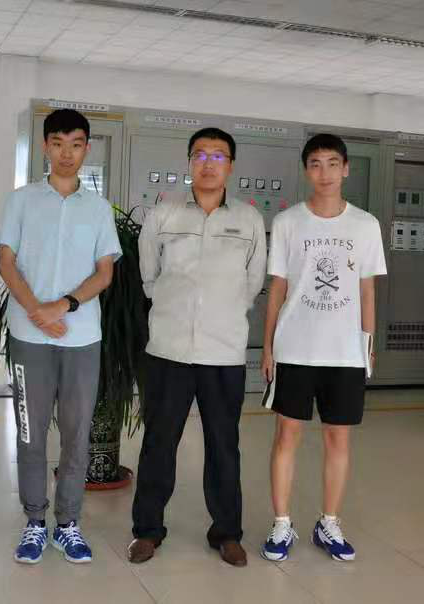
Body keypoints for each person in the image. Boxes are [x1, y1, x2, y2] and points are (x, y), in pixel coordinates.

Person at [128, 127, 266, 567]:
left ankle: (226, 532)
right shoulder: (164, 215)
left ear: (231, 166)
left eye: (218, 156)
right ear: (189, 162)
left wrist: (222, 312)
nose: (209, 163)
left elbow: (253, 282)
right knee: (159, 443)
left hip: (223, 352)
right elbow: (149, 277)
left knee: (224, 445)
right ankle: (147, 530)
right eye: (200, 155)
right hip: (168, 350)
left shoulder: (248, 220)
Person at [0, 108, 121, 565]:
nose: (67, 153)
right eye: (58, 144)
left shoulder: (98, 209)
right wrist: (36, 310)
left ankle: (67, 523)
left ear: (86, 148)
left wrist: (62, 305)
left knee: (76, 434)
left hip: (81, 337)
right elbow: (6, 261)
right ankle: (35, 520)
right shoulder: (21, 200)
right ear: (45, 146)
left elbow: (104, 272)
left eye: (76, 144)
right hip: (29, 337)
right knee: (30, 433)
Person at [260, 133, 387, 563]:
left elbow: (367, 290)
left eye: (333, 163)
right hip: (295, 348)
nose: (325, 173)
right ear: (306, 170)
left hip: (345, 351)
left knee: (338, 438)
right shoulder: (288, 222)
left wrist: (368, 344)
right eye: (315, 164)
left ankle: (328, 521)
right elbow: (277, 287)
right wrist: (268, 347)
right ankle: (282, 523)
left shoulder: (365, 225)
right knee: (287, 436)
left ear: (346, 168)